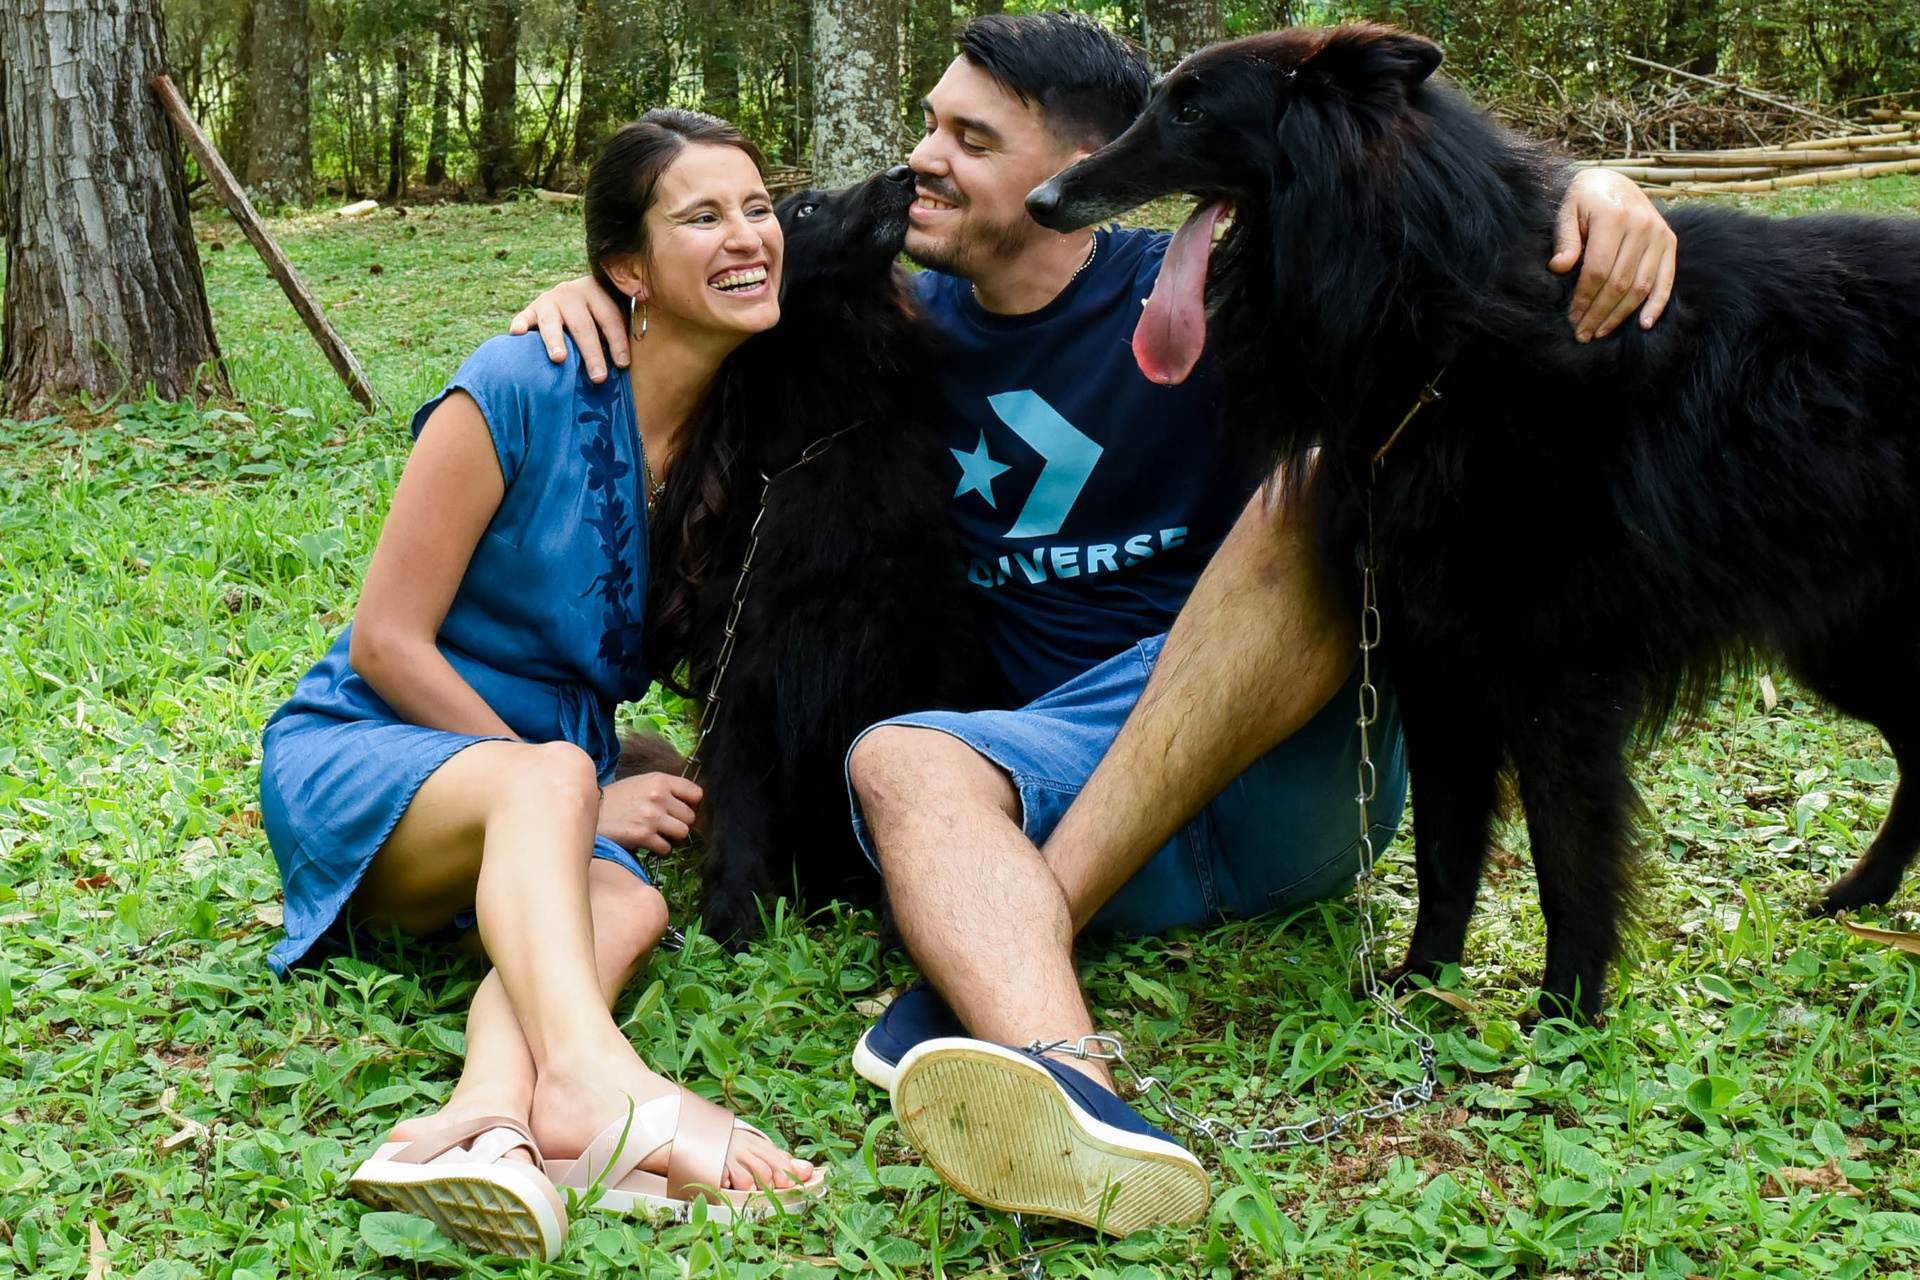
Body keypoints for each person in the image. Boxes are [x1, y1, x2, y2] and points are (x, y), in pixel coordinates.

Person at [514, 13, 1677, 1235]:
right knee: (897, 759)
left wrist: (1591, 193)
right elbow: (718, 316)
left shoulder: (1219, 285)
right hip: (1055, 785)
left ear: (1082, 162)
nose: (924, 156)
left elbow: (1410, 214)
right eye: (928, 125)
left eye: (971, 139)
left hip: (1275, 768)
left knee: (1320, 489)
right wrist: (594, 293)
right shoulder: (893, 327)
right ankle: (1076, 1098)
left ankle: (991, 961)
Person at [258, 109, 823, 1261]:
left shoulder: (747, 422)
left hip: (541, 793)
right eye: (702, 215)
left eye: (759, 207)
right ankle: (599, 1080)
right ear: (627, 267)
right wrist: (578, 790)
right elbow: (387, 641)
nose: (747, 235)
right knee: (557, 778)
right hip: (373, 754)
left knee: (632, 905)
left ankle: (492, 1119)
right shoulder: (522, 379)